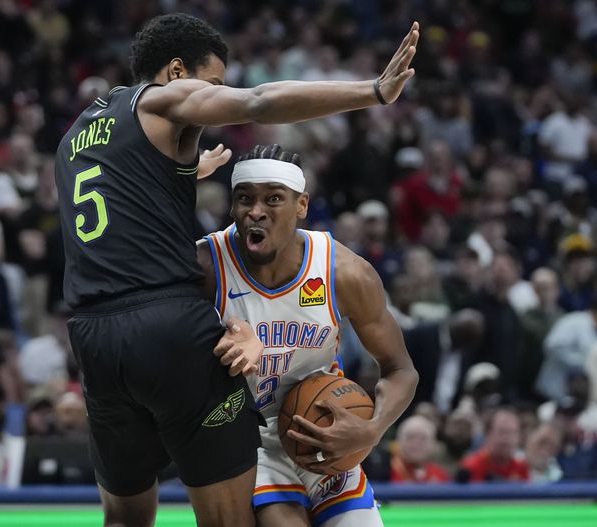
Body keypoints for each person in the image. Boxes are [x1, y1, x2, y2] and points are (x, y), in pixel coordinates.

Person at [54, 12, 420, 527]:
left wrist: (182, 176)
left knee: (124, 519)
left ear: (300, 206)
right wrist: (374, 91)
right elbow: (259, 102)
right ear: (178, 71)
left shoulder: (77, 135)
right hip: (166, 328)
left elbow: (124, 213)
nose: (216, 99)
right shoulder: (162, 98)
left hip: (93, 338)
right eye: (213, 84)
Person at [198, 145, 418, 526]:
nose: (256, 211)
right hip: (248, 442)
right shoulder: (205, 267)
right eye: (244, 198)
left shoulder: (344, 272)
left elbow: (400, 369)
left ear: (301, 206)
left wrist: (370, 429)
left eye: (273, 199)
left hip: (327, 428)